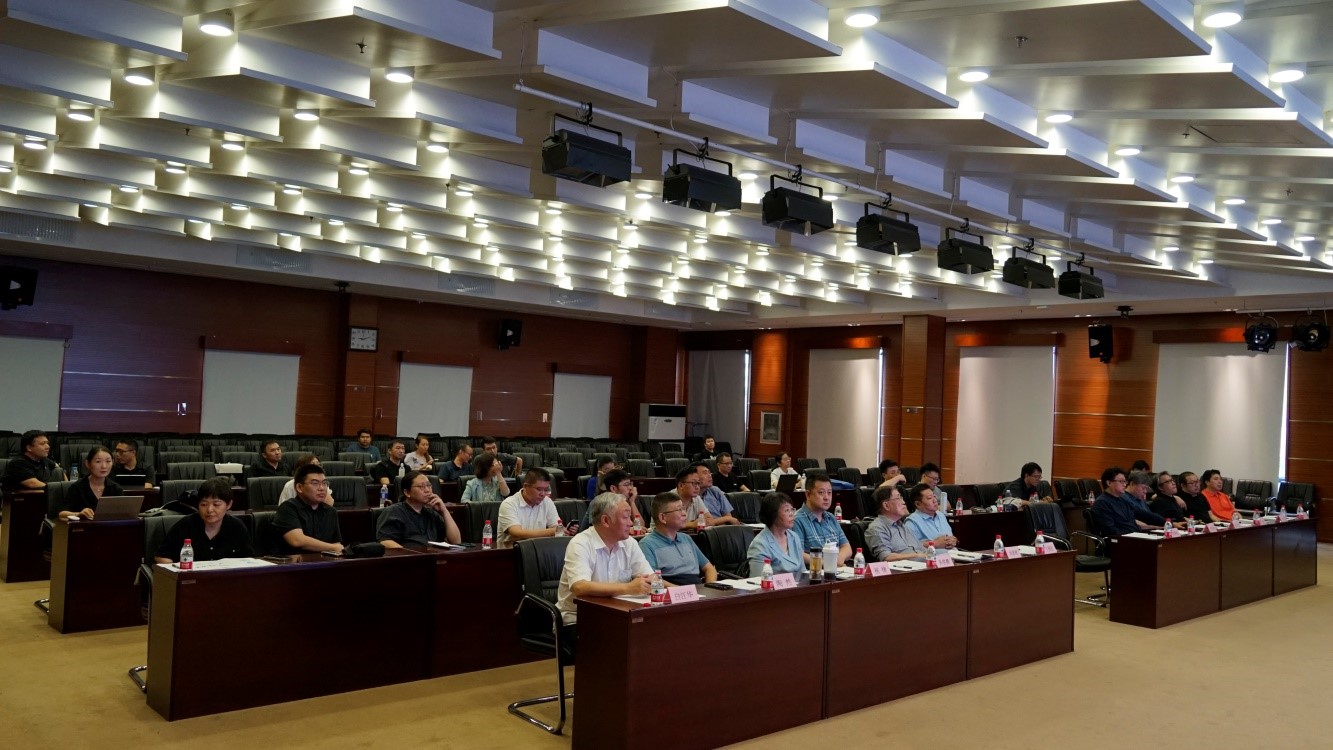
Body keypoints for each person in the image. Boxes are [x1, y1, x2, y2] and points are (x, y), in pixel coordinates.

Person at [555, 492, 653, 626]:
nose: (630, 523)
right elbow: (580, 587)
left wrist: (653, 583)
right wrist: (629, 588)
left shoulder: (629, 543)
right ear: (605, 521)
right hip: (580, 619)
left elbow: (650, 576)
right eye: (625, 517)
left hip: (618, 614)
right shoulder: (580, 543)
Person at [154, 477, 254, 562]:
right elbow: (161, 557)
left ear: (229, 504)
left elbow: (249, 560)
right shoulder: (185, 525)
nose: (209, 510)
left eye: (216, 504)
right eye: (204, 504)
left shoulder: (237, 527)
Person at [638, 491, 718, 585]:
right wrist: (681, 591)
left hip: (698, 588)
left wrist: (710, 587)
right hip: (672, 590)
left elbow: (709, 568)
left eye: (683, 508)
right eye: (679, 510)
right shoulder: (647, 544)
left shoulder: (686, 538)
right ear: (663, 517)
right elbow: (652, 579)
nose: (684, 514)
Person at [376, 470, 462, 548]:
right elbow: (385, 542)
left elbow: (456, 541)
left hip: (434, 557)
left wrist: (444, 511)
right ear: (407, 492)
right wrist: (413, 555)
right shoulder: (394, 512)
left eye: (429, 485)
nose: (427, 490)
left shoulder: (431, 513)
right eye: (421, 487)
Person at [270, 464, 343, 554]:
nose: (322, 488)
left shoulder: (330, 511)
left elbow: (337, 545)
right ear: (299, 487)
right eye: (315, 483)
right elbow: (297, 541)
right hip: (292, 562)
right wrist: (332, 547)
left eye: (324, 483)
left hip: (323, 561)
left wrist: (336, 548)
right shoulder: (287, 508)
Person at [1090, 467, 1169, 537]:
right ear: (1109, 483)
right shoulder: (1102, 503)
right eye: (1121, 481)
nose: (1124, 484)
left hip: (1132, 537)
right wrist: (1135, 533)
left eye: (1125, 481)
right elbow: (1110, 532)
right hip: (1119, 542)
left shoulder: (1123, 499)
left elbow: (1143, 514)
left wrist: (1167, 522)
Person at [793, 474, 851, 565]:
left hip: (837, 569)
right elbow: (797, 553)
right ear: (808, 495)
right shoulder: (797, 520)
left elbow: (846, 547)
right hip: (813, 571)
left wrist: (839, 559)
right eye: (821, 492)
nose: (826, 497)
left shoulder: (831, 518)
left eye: (829, 492)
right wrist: (825, 563)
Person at [496, 468, 561, 548]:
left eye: (546, 490)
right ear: (525, 486)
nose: (543, 494)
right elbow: (517, 533)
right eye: (539, 489)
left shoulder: (547, 502)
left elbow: (557, 528)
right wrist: (551, 532)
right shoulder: (509, 504)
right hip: (511, 552)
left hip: (538, 551)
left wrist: (564, 530)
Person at [747, 492, 807, 576]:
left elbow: (803, 572)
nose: (791, 514)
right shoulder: (760, 544)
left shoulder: (794, 537)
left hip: (798, 584)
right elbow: (758, 580)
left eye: (792, 509)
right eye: (787, 510)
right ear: (773, 514)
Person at [57, 446, 124, 521]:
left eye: (108, 461)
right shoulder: (77, 487)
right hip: (84, 527)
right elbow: (62, 514)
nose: (104, 466)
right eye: (98, 461)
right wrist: (78, 514)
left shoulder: (116, 489)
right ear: (88, 464)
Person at [864, 485, 927, 562]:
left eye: (902, 498)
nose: (903, 502)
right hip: (906, 568)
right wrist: (916, 555)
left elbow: (922, 550)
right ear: (886, 505)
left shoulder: (903, 525)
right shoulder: (877, 528)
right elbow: (886, 557)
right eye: (898, 498)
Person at [904, 482, 958, 549]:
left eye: (934, 496)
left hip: (953, 553)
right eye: (929, 498)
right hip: (933, 554)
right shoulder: (912, 522)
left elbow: (950, 536)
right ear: (918, 504)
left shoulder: (941, 515)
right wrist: (934, 543)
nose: (935, 500)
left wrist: (954, 540)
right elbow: (909, 546)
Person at [673, 466, 709, 530]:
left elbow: (709, 518)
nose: (697, 487)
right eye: (694, 483)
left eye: (698, 483)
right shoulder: (668, 499)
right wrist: (692, 524)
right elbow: (670, 524)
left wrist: (695, 523)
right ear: (681, 485)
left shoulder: (696, 498)